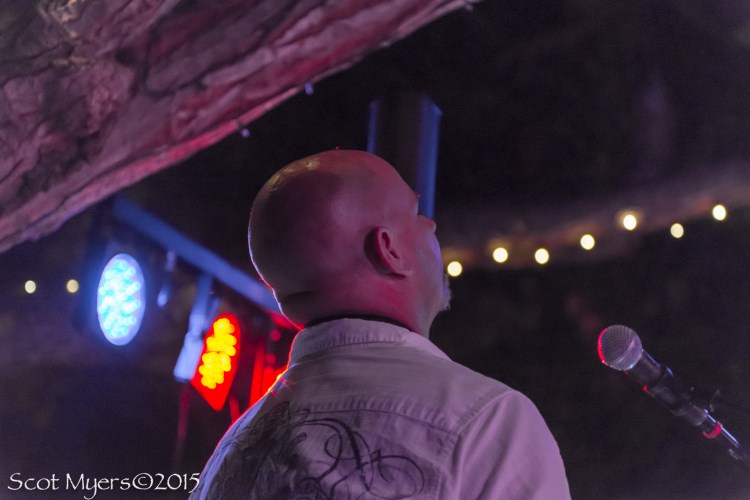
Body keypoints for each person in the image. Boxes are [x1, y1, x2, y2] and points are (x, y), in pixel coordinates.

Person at [191, 150, 570, 499]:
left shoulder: (223, 459)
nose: (432, 224)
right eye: (416, 214)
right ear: (388, 249)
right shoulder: (487, 422)